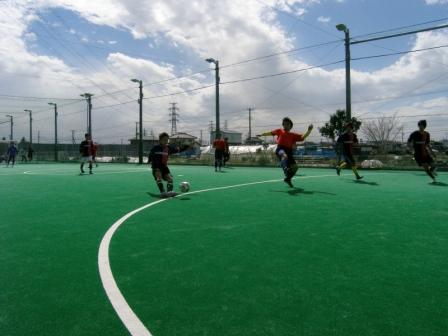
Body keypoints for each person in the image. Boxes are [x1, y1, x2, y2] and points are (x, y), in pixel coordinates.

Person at [258, 117, 313, 187]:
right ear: (283, 125)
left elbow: (303, 136)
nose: (285, 126)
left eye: (287, 124)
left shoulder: (293, 135)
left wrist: (309, 130)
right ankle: (285, 169)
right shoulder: (280, 131)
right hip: (280, 149)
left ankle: (288, 179)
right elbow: (271, 133)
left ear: (290, 126)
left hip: (289, 151)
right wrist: (262, 134)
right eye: (284, 124)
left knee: (295, 167)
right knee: (284, 155)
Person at [148, 132, 189, 198]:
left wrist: (186, 147)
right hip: (156, 166)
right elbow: (150, 155)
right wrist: (149, 161)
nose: (166, 141)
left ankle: (169, 192)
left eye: (167, 139)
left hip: (164, 167)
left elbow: (178, 149)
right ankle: (163, 192)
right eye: (164, 139)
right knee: (159, 177)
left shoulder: (168, 148)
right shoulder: (155, 148)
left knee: (170, 179)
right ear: (160, 140)